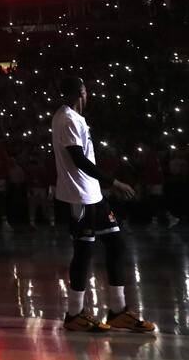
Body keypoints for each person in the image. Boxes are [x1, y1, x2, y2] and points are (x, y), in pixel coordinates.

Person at [52, 76, 155, 333]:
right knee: (84, 252)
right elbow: (79, 160)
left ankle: (118, 311)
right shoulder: (66, 119)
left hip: (93, 194)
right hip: (78, 196)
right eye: (86, 90)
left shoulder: (74, 118)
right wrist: (114, 182)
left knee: (116, 244)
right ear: (82, 92)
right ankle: (74, 314)